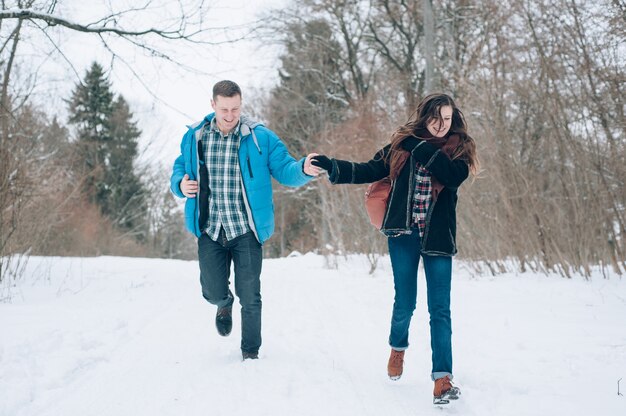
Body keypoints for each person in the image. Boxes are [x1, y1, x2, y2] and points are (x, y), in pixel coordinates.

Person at [311, 93, 479, 405]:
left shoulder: (459, 151)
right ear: (424, 116)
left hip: (438, 238)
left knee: (439, 309)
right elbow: (368, 169)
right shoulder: (402, 146)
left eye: (446, 118)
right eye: (435, 118)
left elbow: (452, 177)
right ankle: (398, 348)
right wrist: (332, 166)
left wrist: (420, 146)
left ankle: (442, 379)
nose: (441, 125)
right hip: (403, 233)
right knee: (406, 302)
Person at [170, 80, 319, 361]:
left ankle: (250, 352)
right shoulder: (195, 137)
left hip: (246, 230)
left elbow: (286, 170)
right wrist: (180, 183)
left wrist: (304, 169)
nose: (229, 115)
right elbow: (180, 166)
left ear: (241, 105)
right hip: (210, 228)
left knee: (250, 294)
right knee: (212, 290)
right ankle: (223, 303)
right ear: (213, 105)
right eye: (224, 109)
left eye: (235, 109)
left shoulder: (260, 139)